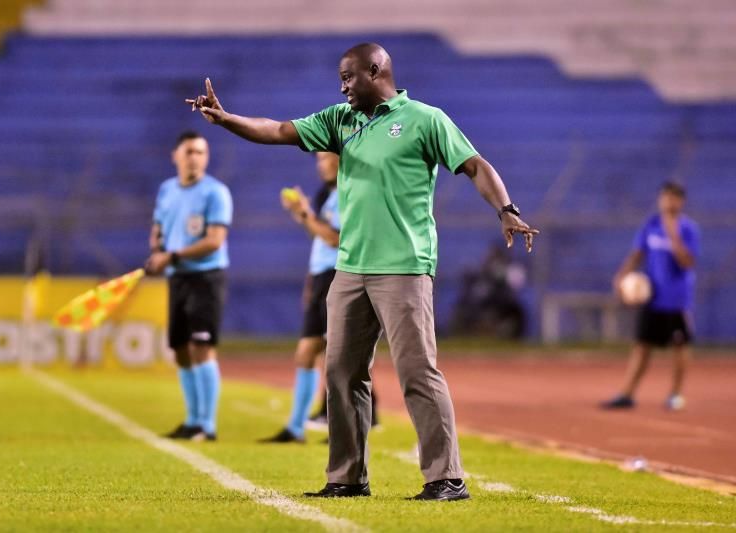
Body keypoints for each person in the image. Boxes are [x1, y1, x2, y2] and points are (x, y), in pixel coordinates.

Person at [185, 43, 538, 501]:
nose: (343, 86)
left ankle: (446, 478)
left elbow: (475, 165)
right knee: (341, 374)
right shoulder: (340, 120)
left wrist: (506, 210)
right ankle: (347, 478)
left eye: (350, 77)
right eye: (341, 78)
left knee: (417, 371)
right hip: (349, 267)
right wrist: (228, 119)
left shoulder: (425, 119)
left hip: (404, 267)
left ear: (376, 71)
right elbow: (277, 129)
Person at [260, 152, 379, 444]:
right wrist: (311, 283)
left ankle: (352, 421)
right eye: (319, 159)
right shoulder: (328, 194)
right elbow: (321, 241)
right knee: (308, 353)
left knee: (337, 356)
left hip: (339, 277)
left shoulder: (349, 191)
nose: (321, 164)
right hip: (321, 279)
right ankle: (297, 427)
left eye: (326, 158)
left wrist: (304, 214)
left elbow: (334, 238)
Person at [146, 130, 233, 441]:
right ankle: (192, 419)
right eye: (190, 151)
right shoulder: (167, 190)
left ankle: (206, 426)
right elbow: (158, 227)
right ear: (176, 156)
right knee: (181, 351)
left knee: (201, 347)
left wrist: (171, 255)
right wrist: (157, 250)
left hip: (206, 278)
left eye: (200, 152)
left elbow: (214, 241)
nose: (195, 157)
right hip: (178, 278)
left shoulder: (216, 193)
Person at [602, 182, 699, 411]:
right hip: (653, 296)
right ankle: (627, 393)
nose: (668, 202)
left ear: (680, 202)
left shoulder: (688, 229)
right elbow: (638, 253)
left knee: (680, 346)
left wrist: (673, 234)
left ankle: (676, 394)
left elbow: (687, 261)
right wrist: (622, 276)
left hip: (677, 299)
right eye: (665, 197)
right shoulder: (651, 225)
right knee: (642, 345)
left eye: (673, 198)